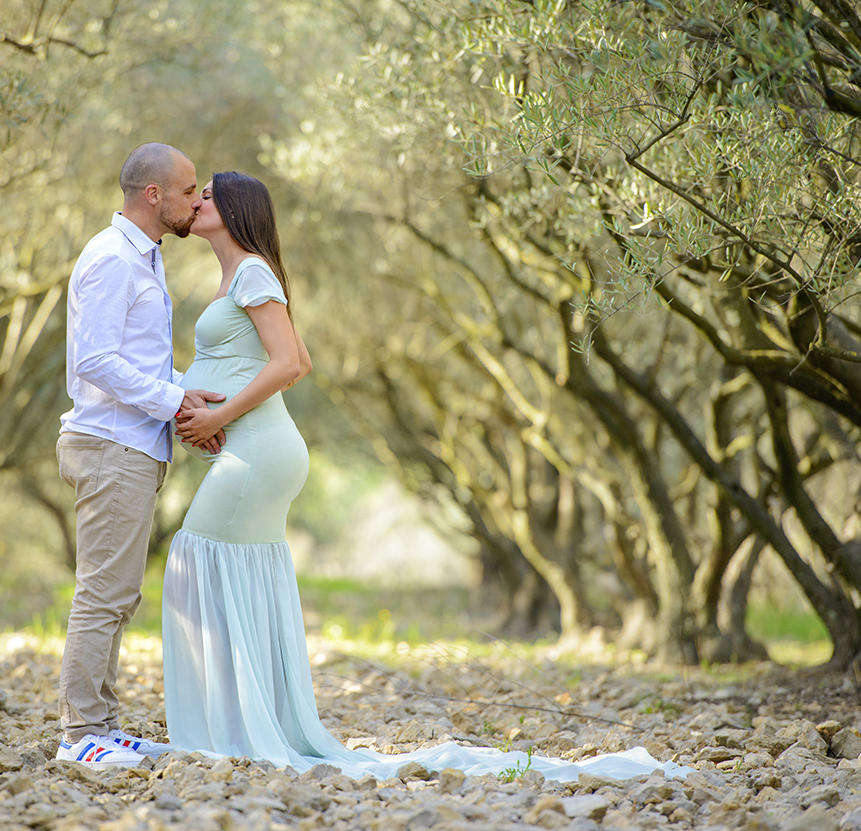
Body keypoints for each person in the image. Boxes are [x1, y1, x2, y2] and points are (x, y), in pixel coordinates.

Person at [161, 171, 690, 782]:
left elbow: (288, 364)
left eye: (206, 195)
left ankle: (235, 731)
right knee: (227, 572)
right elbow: (290, 358)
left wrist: (220, 414)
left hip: (258, 451)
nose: (196, 202)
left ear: (234, 209)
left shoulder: (251, 271)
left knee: (195, 562)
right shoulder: (240, 275)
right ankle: (247, 727)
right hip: (255, 449)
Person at [55, 143, 228, 768]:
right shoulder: (111, 259)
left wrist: (185, 395)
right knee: (102, 594)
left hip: (130, 446)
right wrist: (175, 397)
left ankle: (100, 725)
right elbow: (95, 361)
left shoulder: (142, 257)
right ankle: (80, 736)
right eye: (188, 191)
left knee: (117, 593)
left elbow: (136, 360)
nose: (195, 201)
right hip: (110, 446)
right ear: (153, 195)